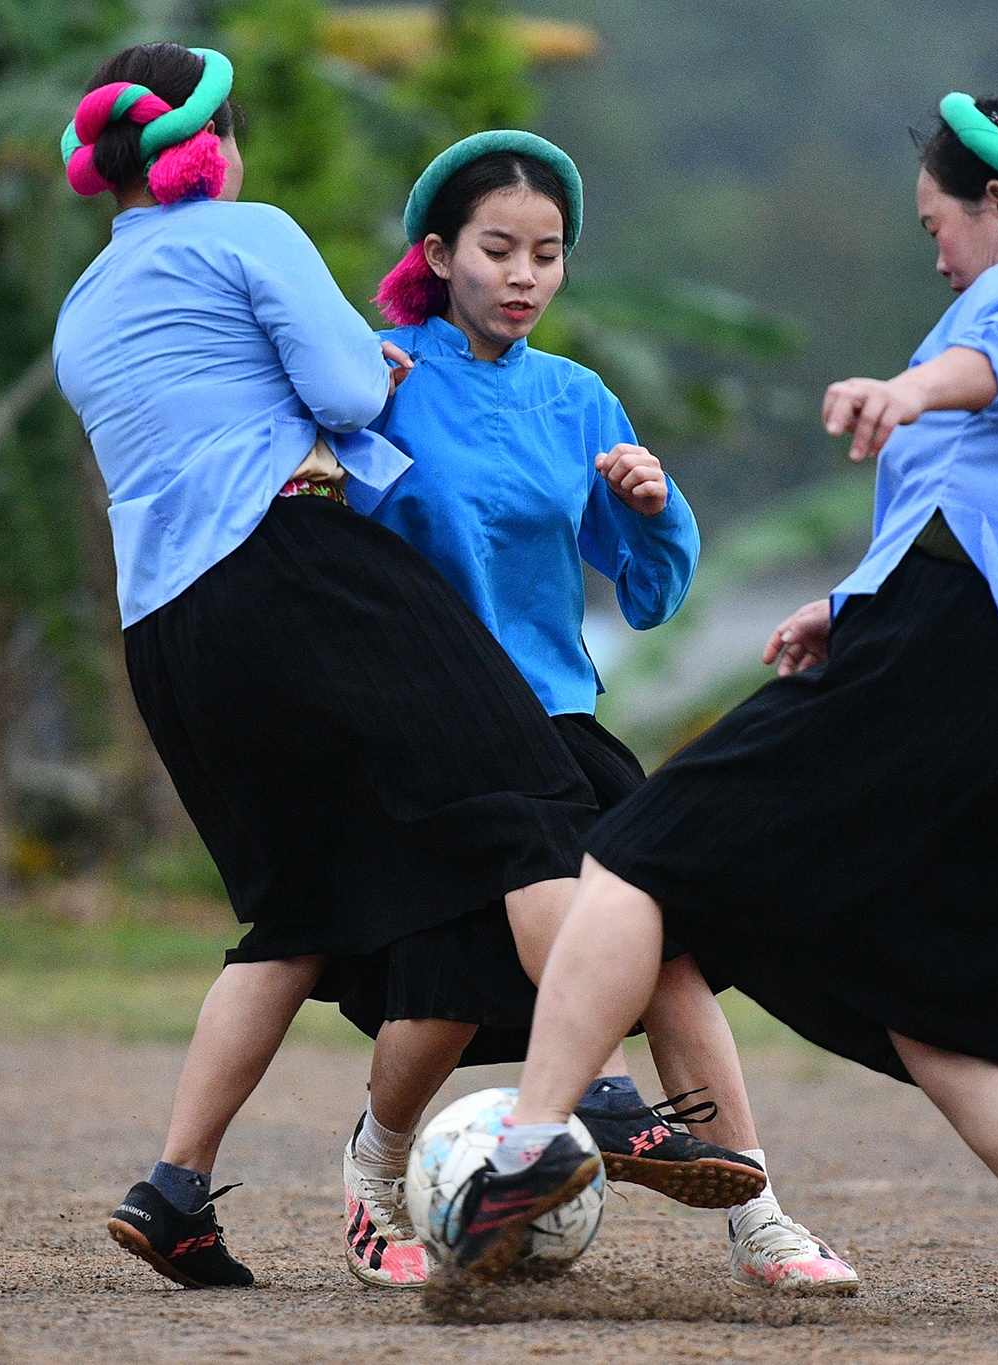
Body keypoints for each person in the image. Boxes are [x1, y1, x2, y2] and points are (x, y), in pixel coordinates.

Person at [440, 94, 998, 1323]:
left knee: (629, 854)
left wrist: (905, 387)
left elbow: (986, 366)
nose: (934, 250)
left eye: (937, 222)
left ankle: (528, 1142)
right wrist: (849, 598)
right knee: (944, 1008)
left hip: (946, 654)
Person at [53, 44, 745, 1293]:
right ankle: (593, 1091)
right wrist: (364, 381)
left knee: (299, 917)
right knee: (527, 801)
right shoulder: (243, 228)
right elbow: (340, 392)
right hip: (293, 574)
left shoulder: (85, 303)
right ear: (212, 150)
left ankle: (171, 1187)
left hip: (170, 636)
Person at [340, 129, 857, 1296]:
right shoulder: (378, 375)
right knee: (459, 992)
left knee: (654, 945)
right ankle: (401, 1166)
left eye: (547, 254)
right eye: (497, 250)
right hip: (426, 722)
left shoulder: (575, 398)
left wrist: (652, 503)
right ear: (437, 252)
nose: (524, 275)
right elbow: (322, 545)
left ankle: (757, 1215)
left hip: (556, 717)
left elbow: (652, 587)